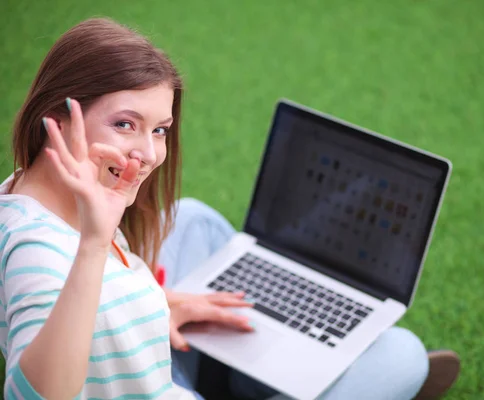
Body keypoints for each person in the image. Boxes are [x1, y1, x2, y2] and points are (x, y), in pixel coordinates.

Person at [0, 17, 460, 399]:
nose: (149, 154)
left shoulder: (23, 195)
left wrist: (157, 307)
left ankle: (248, 371)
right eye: (125, 124)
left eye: (160, 129)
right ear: (56, 119)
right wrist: (96, 243)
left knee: (195, 219)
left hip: (149, 362)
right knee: (403, 354)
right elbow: (39, 394)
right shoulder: (38, 248)